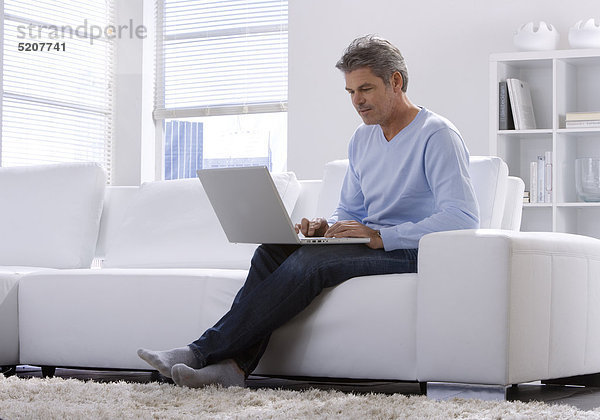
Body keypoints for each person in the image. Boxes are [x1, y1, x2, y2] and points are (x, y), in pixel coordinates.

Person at [137, 35, 480, 388]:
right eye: (350, 92)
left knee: (309, 264)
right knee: (271, 252)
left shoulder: (436, 134)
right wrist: (325, 227)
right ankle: (233, 370)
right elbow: (351, 210)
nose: (357, 101)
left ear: (395, 81)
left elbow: (462, 217)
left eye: (365, 89)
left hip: (410, 249)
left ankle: (198, 352)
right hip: (371, 243)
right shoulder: (362, 139)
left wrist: (382, 236)